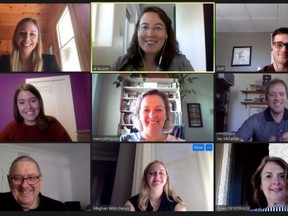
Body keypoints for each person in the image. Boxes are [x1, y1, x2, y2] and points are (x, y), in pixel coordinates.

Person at [111, 6, 194, 71]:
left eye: (158, 27)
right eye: (145, 27)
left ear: (166, 34)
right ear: (137, 32)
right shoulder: (121, 63)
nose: (150, 34)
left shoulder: (182, 64)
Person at [0, 83, 72, 142]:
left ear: (40, 102)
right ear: (17, 106)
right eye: (22, 102)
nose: (28, 107)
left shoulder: (53, 124)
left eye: (33, 101)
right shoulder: (11, 128)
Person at [0, 155, 67, 211]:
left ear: (40, 180)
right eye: (17, 178)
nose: (24, 185)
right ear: (9, 180)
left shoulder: (59, 208)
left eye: (32, 177)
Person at [120, 89, 184, 141]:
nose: (152, 116)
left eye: (158, 110)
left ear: (166, 114)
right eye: (146, 110)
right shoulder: (124, 140)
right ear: (139, 115)